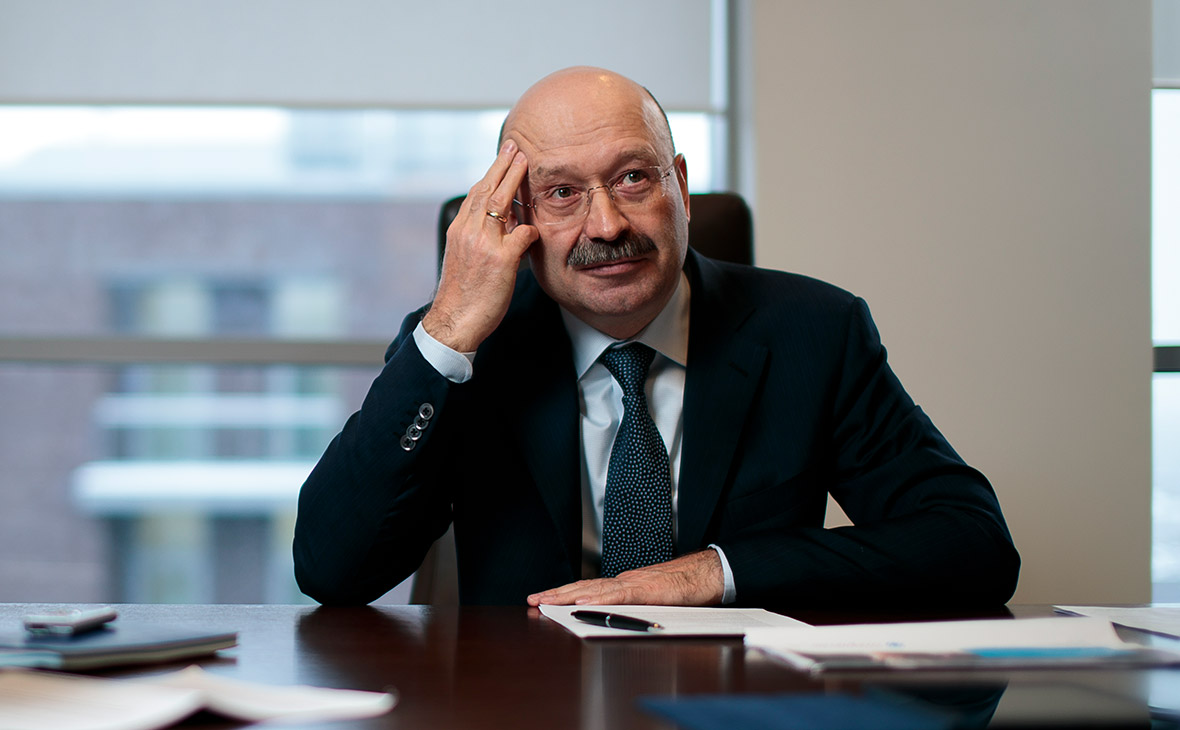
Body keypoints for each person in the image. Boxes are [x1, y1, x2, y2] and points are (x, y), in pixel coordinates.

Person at [293, 67, 1019, 608]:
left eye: (634, 179)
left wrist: (717, 572)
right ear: (517, 217)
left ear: (680, 187)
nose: (607, 225)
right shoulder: (469, 351)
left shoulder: (814, 332)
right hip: (526, 694)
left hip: (736, 698)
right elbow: (331, 570)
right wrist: (449, 330)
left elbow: (973, 543)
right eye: (561, 193)